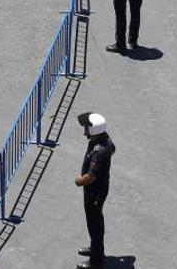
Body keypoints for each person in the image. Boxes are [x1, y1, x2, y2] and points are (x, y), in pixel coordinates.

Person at [75, 112, 115, 269]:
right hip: (98, 189)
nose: (85, 130)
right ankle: (95, 248)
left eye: (87, 128)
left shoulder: (99, 152)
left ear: (93, 130)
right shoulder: (103, 138)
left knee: (94, 224)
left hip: (95, 192)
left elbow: (90, 177)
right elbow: (113, 148)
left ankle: (96, 261)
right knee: (95, 221)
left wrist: (79, 181)